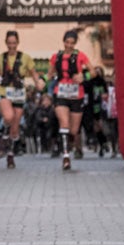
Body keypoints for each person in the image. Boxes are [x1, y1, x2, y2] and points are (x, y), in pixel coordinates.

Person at [49, 28, 88, 171]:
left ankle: (68, 144)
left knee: (74, 130)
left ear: (75, 44)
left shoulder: (81, 56)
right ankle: (65, 156)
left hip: (76, 95)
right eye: (67, 42)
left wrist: (84, 76)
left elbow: (93, 72)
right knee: (64, 123)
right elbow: (50, 74)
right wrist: (42, 81)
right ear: (63, 42)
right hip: (61, 93)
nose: (69, 45)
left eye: (72, 43)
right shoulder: (56, 57)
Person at [0, 30, 33, 169]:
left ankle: (10, 154)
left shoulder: (26, 58)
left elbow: (33, 74)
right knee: (8, 116)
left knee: (15, 129)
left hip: (19, 93)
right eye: (9, 43)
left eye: (14, 43)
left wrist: (39, 82)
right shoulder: (0, 58)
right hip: (4, 91)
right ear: (6, 43)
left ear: (18, 43)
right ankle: (3, 134)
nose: (12, 46)